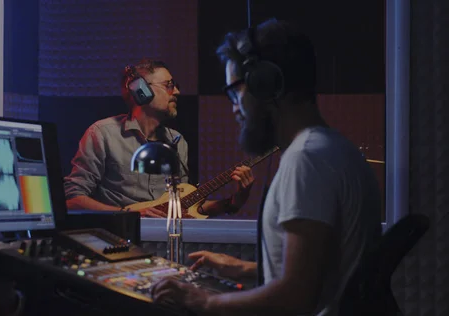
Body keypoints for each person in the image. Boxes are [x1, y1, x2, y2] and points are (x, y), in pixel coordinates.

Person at [150, 19, 382, 315]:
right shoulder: (334, 148)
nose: (234, 107)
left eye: (235, 91)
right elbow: (322, 269)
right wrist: (245, 268)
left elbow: (295, 299)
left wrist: (202, 301)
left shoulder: (306, 160)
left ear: (266, 84)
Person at [64, 58, 255, 218]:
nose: (177, 92)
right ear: (141, 91)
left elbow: (184, 208)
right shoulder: (102, 134)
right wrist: (127, 214)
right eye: (169, 86)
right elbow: (73, 200)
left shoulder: (177, 142)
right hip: (120, 241)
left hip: (164, 245)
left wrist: (233, 202)